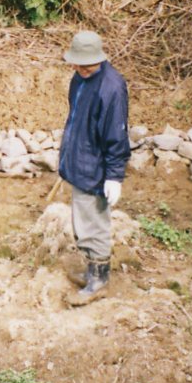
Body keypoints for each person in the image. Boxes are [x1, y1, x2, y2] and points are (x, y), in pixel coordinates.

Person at [56, 30, 130, 306]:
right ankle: (91, 272)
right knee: (82, 222)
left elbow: (116, 135)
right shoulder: (80, 79)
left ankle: (99, 280)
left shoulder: (111, 87)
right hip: (79, 162)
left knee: (94, 224)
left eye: (86, 64)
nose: (80, 68)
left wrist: (114, 176)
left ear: (100, 59)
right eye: (77, 63)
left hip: (96, 169)